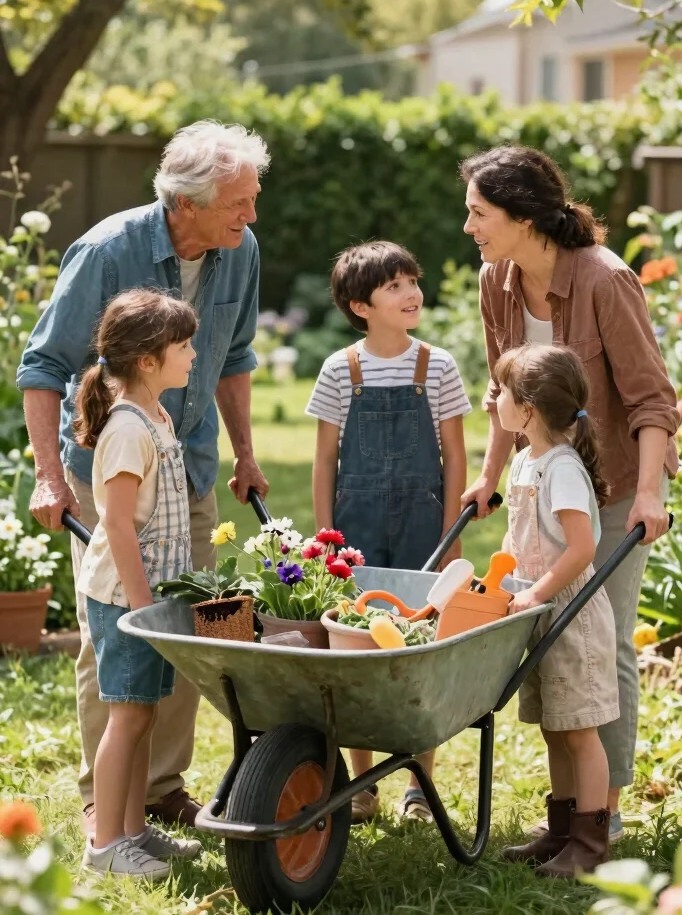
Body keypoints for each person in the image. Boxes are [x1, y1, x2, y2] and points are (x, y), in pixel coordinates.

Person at [17, 120, 270, 831]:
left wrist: (246, 453)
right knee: (115, 632)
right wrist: (47, 476)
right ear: (186, 203)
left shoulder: (239, 250)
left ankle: (159, 788)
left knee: (189, 625)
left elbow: (238, 355)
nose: (251, 217)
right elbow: (43, 367)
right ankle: (109, 795)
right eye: (238, 203)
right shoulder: (107, 251)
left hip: (186, 466)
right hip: (113, 471)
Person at [460, 146, 679, 842]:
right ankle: (572, 816)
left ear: (525, 216)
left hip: (611, 485)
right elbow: (504, 387)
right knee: (552, 642)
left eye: (479, 213)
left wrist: (647, 495)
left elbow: (651, 401)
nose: (469, 227)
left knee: (602, 644)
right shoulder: (498, 278)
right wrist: (491, 474)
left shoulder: (604, 281)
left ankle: (602, 817)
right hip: (541, 486)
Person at [306, 241, 470, 824]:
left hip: (426, 520)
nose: (411, 294)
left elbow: (455, 455)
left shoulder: (439, 365)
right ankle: (361, 783)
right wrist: (325, 535)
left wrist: (451, 533)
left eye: (412, 281)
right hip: (357, 523)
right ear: (360, 305)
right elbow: (325, 460)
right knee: (357, 643)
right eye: (394, 286)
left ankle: (419, 783)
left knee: (420, 640)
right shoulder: (339, 369)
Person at [75, 288, 202, 879]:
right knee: (125, 718)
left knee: (144, 712)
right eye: (184, 345)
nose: (194, 354)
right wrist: (143, 605)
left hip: (149, 597)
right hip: (126, 599)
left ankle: (133, 830)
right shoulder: (128, 429)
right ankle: (104, 845)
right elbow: (118, 524)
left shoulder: (157, 413)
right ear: (148, 360)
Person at [496, 344, 618, 877]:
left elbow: (582, 548)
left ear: (526, 408)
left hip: (572, 614)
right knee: (554, 725)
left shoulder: (562, 468)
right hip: (538, 605)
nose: (491, 398)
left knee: (579, 729)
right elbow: (519, 538)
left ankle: (591, 847)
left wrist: (537, 592)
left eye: (500, 390)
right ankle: (562, 831)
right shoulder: (525, 459)